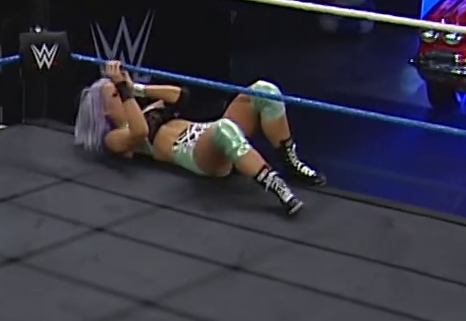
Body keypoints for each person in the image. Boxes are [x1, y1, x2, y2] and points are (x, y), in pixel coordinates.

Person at [74, 60, 324, 215]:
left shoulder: (146, 110)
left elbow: (181, 96)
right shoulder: (114, 138)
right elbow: (140, 132)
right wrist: (125, 92)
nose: (122, 95)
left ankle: (290, 162)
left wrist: (136, 88)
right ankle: (278, 187)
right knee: (224, 128)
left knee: (265, 90)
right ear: (104, 111)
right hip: (195, 152)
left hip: (208, 131)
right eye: (115, 95)